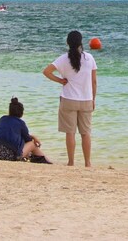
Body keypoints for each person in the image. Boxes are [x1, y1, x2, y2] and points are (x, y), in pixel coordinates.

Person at [42, 30, 97, 167]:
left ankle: (71, 162)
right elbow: (94, 82)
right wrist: (93, 99)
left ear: (68, 43)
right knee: (85, 133)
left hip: (68, 99)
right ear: (81, 42)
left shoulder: (63, 59)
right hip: (86, 100)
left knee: (70, 133)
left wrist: (60, 81)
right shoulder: (89, 58)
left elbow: (46, 72)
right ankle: (87, 163)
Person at [0, 97, 51, 163]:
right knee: (32, 144)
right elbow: (28, 140)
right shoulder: (20, 123)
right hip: (9, 156)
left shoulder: (2, 119)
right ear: (21, 113)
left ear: (9, 111)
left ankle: (31, 157)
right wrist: (34, 137)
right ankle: (47, 161)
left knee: (20, 142)